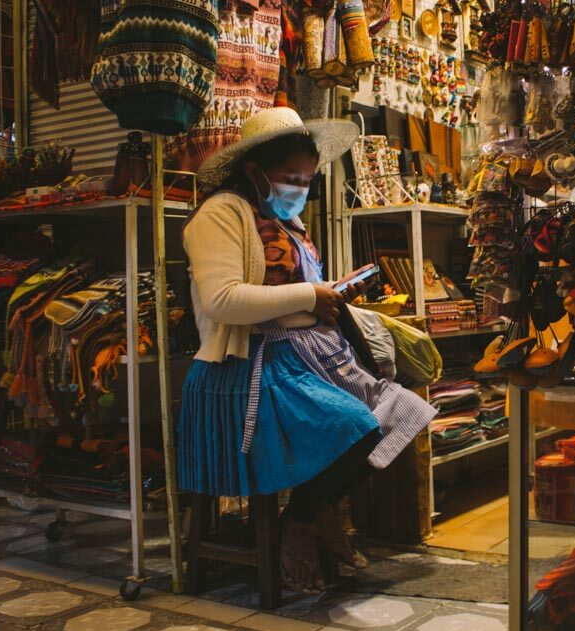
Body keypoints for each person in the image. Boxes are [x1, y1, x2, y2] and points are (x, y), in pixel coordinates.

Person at [179, 107, 436, 591]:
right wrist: (311, 296)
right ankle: (299, 523)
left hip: (309, 355)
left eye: (307, 178)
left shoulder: (287, 221)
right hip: (252, 363)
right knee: (355, 428)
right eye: (290, 177)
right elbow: (222, 300)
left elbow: (299, 289)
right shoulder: (220, 214)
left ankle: (313, 512)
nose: (300, 187)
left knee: (400, 412)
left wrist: (328, 293)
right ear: (254, 171)